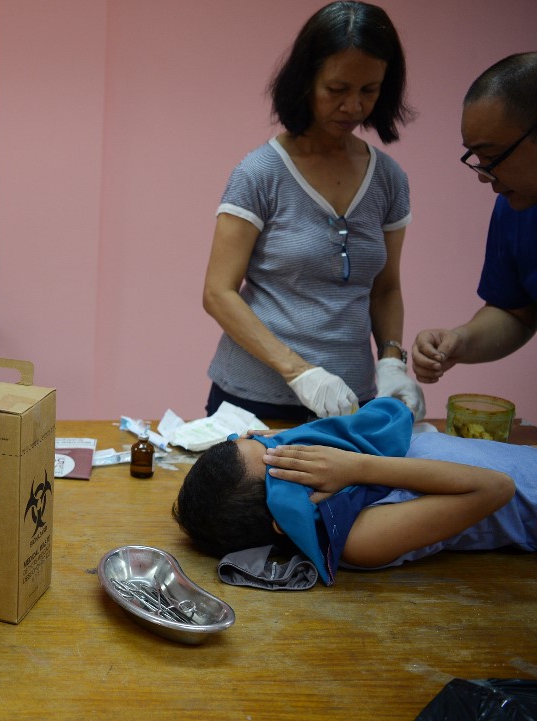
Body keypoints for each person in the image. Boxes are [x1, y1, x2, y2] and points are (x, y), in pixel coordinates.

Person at [203, 1, 425, 424]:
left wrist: (393, 361)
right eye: (337, 89)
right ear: (306, 81)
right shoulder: (260, 173)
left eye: (369, 90)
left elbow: (386, 289)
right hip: (254, 403)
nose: (353, 107)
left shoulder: (389, 179)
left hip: (350, 404)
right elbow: (218, 293)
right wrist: (298, 371)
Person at [172, 397, 534, 585]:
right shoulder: (359, 539)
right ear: (284, 520)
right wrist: (359, 466)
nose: (287, 444)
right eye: (279, 459)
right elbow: (497, 486)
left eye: (271, 442)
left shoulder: (337, 469)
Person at [412, 53, 537, 382]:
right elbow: (517, 312)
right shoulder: (515, 206)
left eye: (493, 157)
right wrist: (462, 341)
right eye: (477, 158)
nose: (484, 176)